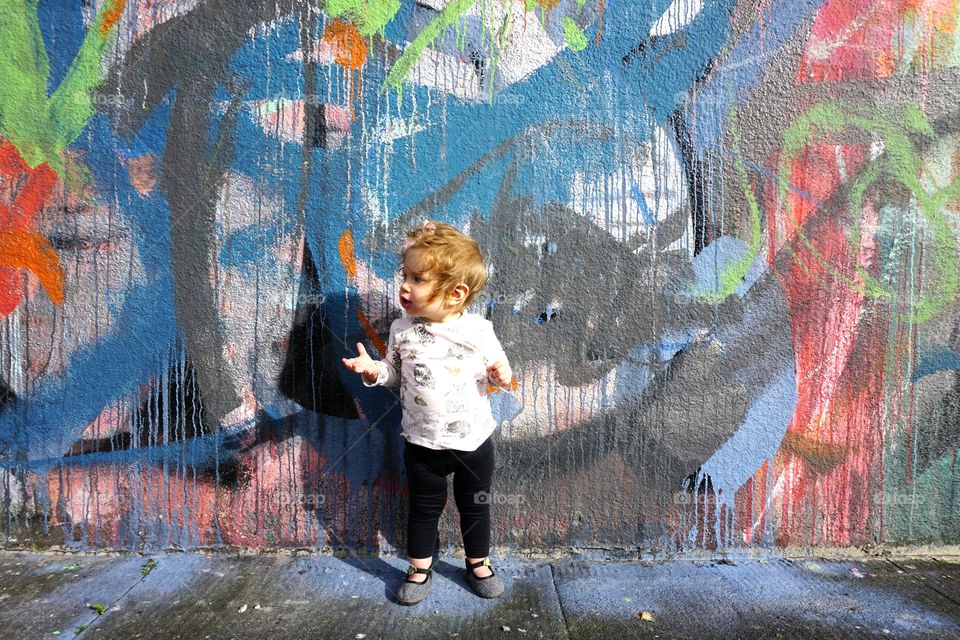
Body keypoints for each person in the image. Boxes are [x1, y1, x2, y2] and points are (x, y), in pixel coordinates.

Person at [342, 220, 513, 606]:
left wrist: (502, 375)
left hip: (473, 442)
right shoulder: (402, 329)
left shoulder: (480, 331)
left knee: (475, 504)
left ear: (455, 293)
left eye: (418, 279)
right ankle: (419, 567)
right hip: (422, 443)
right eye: (406, 275)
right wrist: (374, 372)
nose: (404, 286)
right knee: (423, 508)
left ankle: (478, 562)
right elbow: (394, 375)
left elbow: (503, 378)